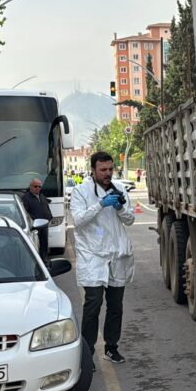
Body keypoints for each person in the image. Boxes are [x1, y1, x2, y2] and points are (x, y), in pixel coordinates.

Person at [70, 151, 134, 364]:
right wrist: (100, 204)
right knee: (93, 303)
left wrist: (119, 207)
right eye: (103, 170)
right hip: (93, 255)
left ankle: (111, 347)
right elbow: (78, 220)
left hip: (116, 254)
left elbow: (130, 219)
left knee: (116, 305)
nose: (107, 174)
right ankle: (87, 352)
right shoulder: (81, 191)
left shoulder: (120, 188)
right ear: (93, 170)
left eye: (110, 169)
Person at [21, 178, 53, 259]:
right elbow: (26, 212)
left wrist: (50, 217)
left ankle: (44, 261)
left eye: (39, 186)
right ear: (31, 187)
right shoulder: (26, 198)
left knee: (44, 244)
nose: (38, 188)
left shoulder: (41, 196)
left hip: (44, 225)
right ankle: (38, 262)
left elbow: (46, 208)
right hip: (35, 226)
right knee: (36, 246)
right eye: (35, 186)